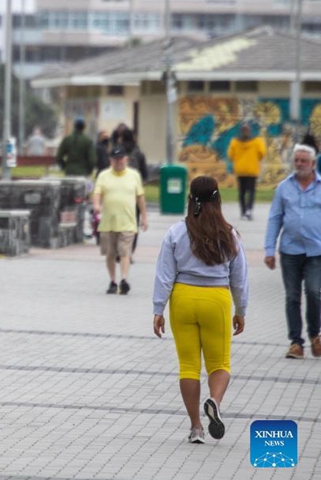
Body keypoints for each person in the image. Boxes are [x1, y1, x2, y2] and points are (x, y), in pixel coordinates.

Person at [153, 175, 248, 444]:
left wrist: (158, 308)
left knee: (188, 367)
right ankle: (214, 401)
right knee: (220, 365)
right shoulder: (229, 234)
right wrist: (241, 309)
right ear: (218, 199)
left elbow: (164, 274)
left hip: (182, 299)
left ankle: (196, 427)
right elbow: (239, 277)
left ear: (190, 200)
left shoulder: (176, 232)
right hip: (216, 300)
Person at [264, 143, 321, 359]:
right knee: (292, 296)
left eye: (303, 161)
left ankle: (316, 335)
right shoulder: (283, 188)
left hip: (317, 251)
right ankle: (296, 342)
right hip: (290, 251)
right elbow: (274, 219)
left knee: (315, 292)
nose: (299, 164)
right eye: (296, 160)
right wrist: (269, 249)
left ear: (313, 163)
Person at [92, 147, 147, 294]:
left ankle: (123, 280)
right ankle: (112, 281)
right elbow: (97, 193)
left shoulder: (134, 175)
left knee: (125, 252)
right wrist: (97, 205)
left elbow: (140, 197)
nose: (119, 162)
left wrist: (144, 218)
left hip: (128, 221)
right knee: (110, 253)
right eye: (116, 159)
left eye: (121, 159)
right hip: (109, 222)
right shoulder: (103, 175)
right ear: (111, 161)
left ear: (126, 160)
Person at [228, 123, 266, 220]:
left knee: (242, 191)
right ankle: (249, 210)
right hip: (252, 170)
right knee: (251, 191)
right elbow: (262, 153)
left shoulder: (235, 142)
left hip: (240, 170)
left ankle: (243, 211)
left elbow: (230, 155)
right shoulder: (257, 141)